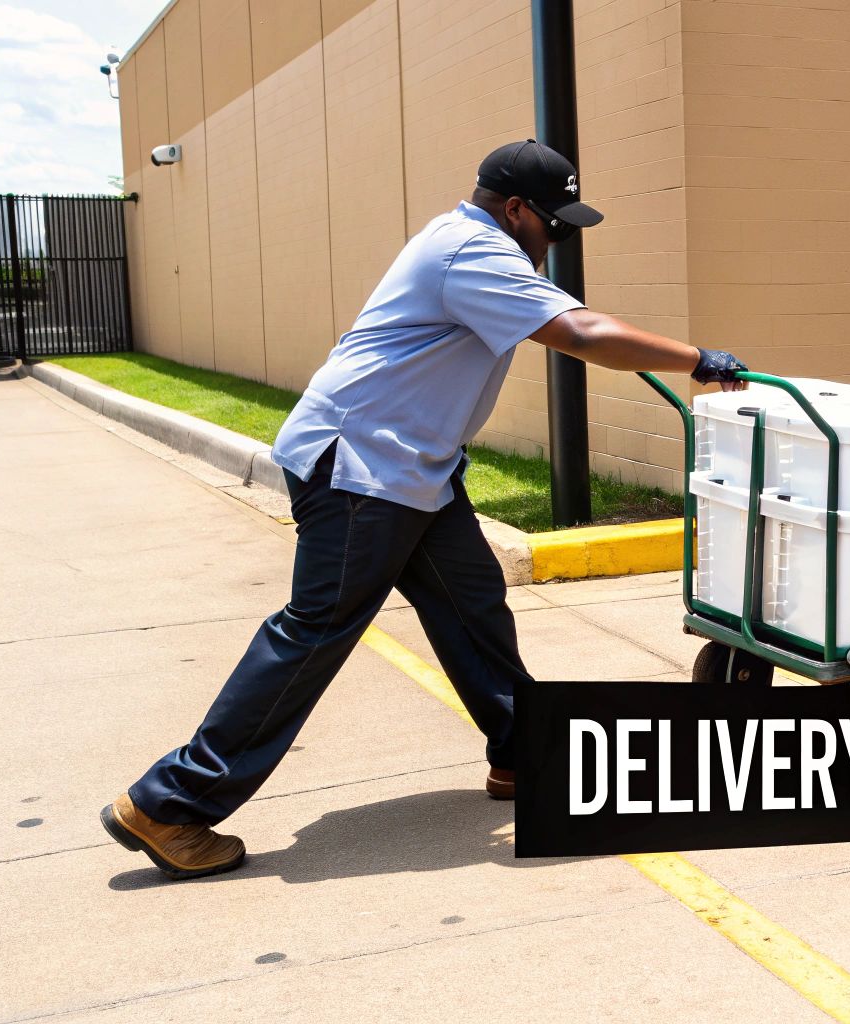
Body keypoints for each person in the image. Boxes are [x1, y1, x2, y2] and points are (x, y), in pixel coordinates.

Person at [100, 139, 746, 881]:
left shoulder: (470, 245)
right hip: (361, 470)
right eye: (554, 223)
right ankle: (171, 802)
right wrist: (697, 357)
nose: (557, 240)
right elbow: (581, 332)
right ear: (514, 210)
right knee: (314, 632)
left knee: (473, 605)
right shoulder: (472, 252)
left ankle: (520, 754)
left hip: (412, 471)